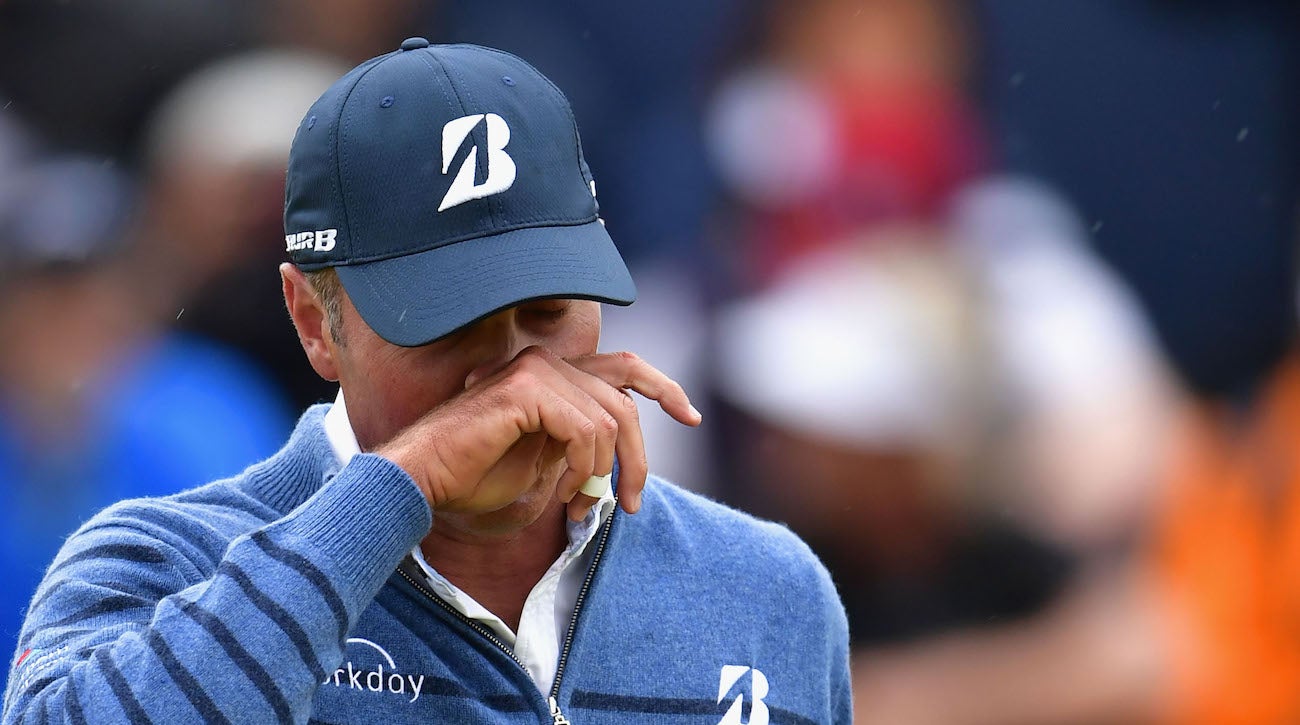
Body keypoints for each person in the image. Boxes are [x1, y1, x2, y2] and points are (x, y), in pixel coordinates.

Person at [2, 40, 851, 724]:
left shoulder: (764, 584)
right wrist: (398, 485)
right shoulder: (159, 562)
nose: (517, 376)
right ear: (312, 320)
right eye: (449, 323)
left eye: (550, 309)